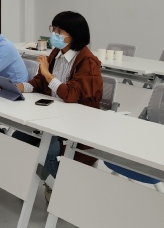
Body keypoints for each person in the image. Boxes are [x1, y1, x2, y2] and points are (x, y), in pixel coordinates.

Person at [15, 11, 103, 202]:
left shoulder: (87, 62)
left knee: (47, 149)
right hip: (53, 118)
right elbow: (39, 82)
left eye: (59, 31)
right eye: (53, 29)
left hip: (77, 126)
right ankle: (29, 182)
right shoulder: (57, 53)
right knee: (18, 138)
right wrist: (20, 87)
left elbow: (71, 95)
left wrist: (48, 75)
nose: (54, 34)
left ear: (74, 34)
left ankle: (61, 190)